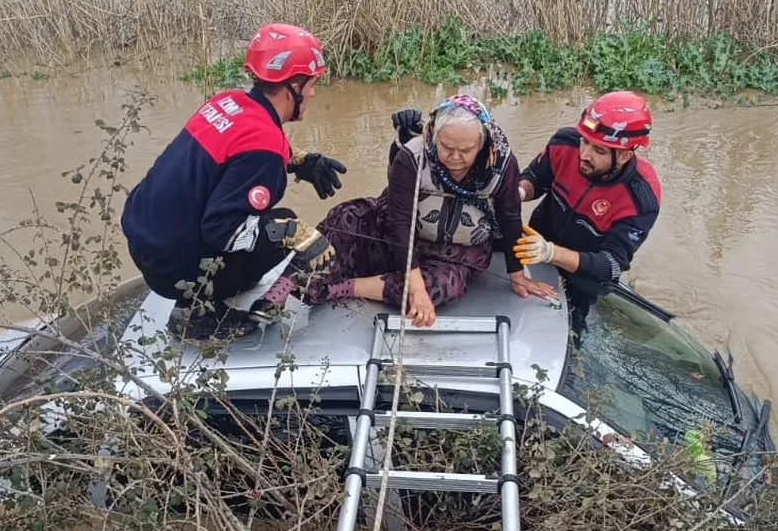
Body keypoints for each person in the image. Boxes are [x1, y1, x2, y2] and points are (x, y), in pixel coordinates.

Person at [121, 24, 347, 342]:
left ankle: (211, 284)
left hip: (146, 243)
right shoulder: (264, 148)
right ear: (294, 87)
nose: (312, 92)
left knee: (272, 224)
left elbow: (236, 149)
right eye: (311, 84)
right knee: (285, 224)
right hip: (172, 271)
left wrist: (298, 161)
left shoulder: (226, 103)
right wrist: (298, 234)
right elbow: (221, 230)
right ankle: (194, 316)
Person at [271, 94, 551, 329]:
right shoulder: (412, 155)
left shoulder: (501, 164)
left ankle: (342, 288)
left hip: (456, 253)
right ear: (433, 136)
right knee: (344, 217)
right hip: (401, 236)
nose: (455, 157)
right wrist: (413, 286)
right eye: (446, 146)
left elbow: (510, 217)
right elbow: (398, 221)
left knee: (441, 287)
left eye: (466, 150)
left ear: (483, 143)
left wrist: (517, 274)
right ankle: (282, 288)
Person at [514, 89, 661, 318]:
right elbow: (535, 177)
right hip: (535, 249)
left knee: (574, 331)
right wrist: (519, 192)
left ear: (624, 156)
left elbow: (611, 265)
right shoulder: (565, 143)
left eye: (598, 150)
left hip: (583, 275)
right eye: (585, 142)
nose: (584, 154)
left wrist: (551, 252)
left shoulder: (640, 198)